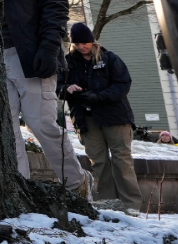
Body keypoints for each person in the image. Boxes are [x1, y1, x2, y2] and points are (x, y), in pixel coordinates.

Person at [2, 0, 88, 196]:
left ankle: (77, 185)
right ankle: (19, 190)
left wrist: (49, 48)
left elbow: (56, 5)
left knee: (41, 125)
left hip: (30, 54)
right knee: (6, 129)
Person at [60, 23, 144, 211]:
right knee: (98, 162)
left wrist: (100, 96)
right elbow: (56, 87)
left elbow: (123, 84)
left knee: (122, 159)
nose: (82, 47)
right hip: (85, 118)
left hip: (115, 116)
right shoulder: (68, 62)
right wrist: (67, 89)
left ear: (92, 40)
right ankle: (108, 203)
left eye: (85, 43)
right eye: (78, 43)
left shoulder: (109, 58)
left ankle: (131, 205)